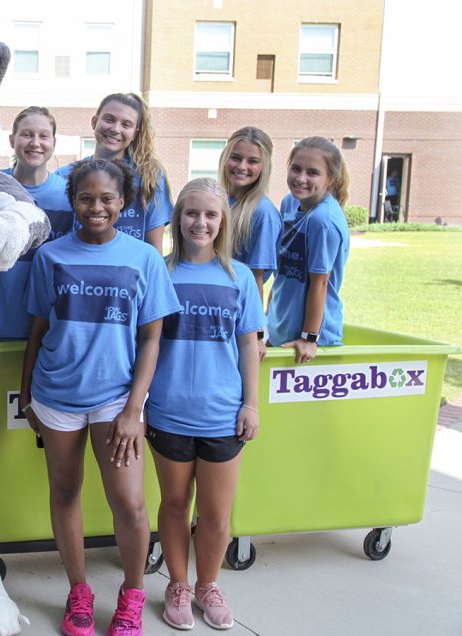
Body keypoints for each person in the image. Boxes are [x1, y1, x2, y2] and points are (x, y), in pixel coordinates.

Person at [20, 158, 180, 636]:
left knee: (128, 504)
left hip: (116, 399)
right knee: (65, 493)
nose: (96, 207)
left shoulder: (144, 258)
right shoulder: (51, 256)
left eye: (107, 198)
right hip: (56, 395)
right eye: (86, 198)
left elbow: (152, 337)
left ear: (123, 203)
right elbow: (39, 328)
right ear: (73, 202)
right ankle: (79, 593)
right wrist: (28, 393)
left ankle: (132, 596)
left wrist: (135, 409)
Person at [146, 178, 264, 631]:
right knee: (174, 505)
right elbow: (145, 343)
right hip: (168, 411)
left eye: (210, 215)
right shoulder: (160, 271)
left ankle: (208, 584)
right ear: (178, 219)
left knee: (216, 513)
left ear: (223, 222)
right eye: (191, 213)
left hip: (221, 414)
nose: (200, 222)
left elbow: (248, 345)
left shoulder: (238, 278)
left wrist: (250, 405)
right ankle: (178, 583)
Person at [0, 106, 73, 340]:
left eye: (43, 136)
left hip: (48, 331)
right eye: (27, 134)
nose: (35, 142)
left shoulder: (69, 197)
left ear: (53, 142)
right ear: (12, 139)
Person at [268, 137, 350, 363]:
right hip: (281, 327)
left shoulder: (323, 221)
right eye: (296, 168)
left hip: (310, 342)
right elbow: (284, 269)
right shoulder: (290, 203)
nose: (301, 178)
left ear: (330, 179)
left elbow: (320, 282)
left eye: (313, 172)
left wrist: (309, 338)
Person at [57, 93, 172, 252]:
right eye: (109, 120)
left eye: (126, 124)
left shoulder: (150, 177)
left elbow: (154, 249)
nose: (115, 129)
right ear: (94, 122)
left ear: (135, 133)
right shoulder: (63, 177)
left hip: (130, 273)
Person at [218, 126, 280, 359]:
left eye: (252, 161)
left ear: (264, 167)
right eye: (235, 157)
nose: (242, 166)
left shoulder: (263, 213)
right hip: (213, 307)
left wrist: (256, 335)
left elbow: (256, 279)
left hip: (239, 318)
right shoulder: (218, 199)